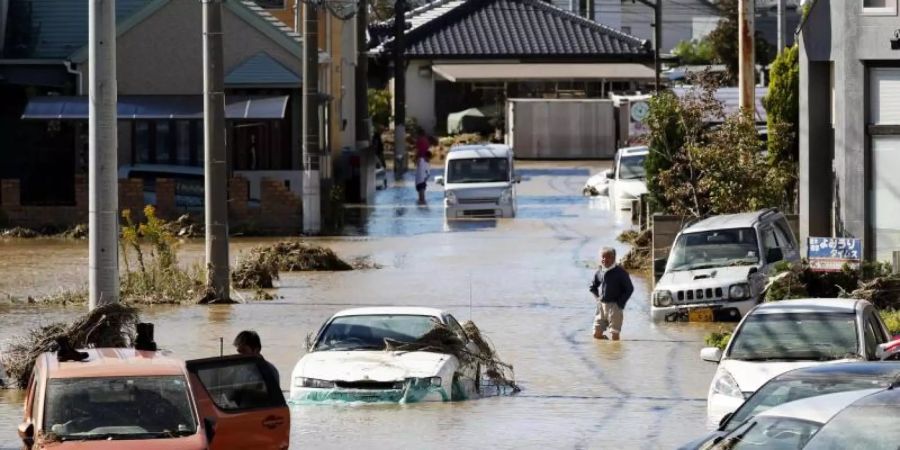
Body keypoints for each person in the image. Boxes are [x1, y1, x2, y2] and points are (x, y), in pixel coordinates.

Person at [589, 247, 634, 341]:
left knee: (614, 335)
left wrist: (620, 304)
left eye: (608, 257)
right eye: (603, 257)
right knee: (596, 335)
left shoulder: (621, 272)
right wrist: (598, 299)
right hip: (602, 306)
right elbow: (593, 287)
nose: (605, 259)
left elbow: (629, 289)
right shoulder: (599, 271)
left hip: (615, 306)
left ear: (614, 258)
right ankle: (606, 349)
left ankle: (614, 354)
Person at [414, 130, 432, 205]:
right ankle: (422, 204)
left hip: (419, 180)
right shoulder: (424, 161)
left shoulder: (421, 160)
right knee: (422, 196)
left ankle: (421, 204)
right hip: (421, 180)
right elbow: (428, 174)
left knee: (421, 196)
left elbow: (417, 151)